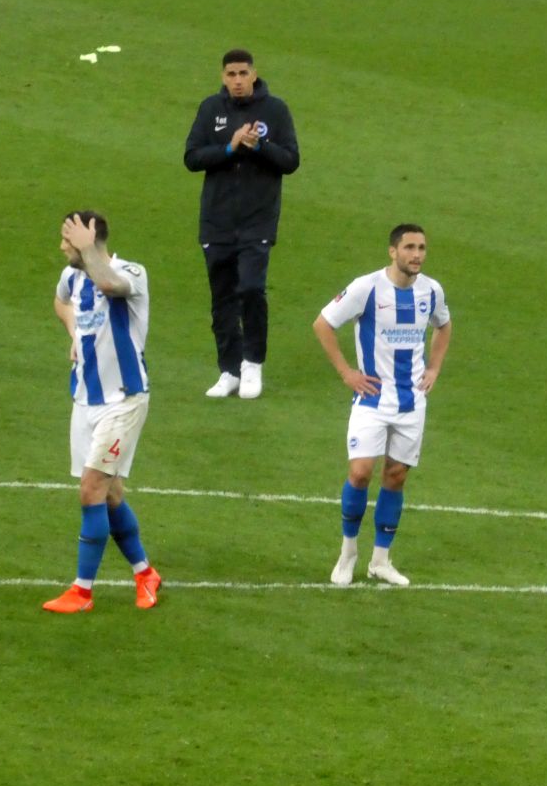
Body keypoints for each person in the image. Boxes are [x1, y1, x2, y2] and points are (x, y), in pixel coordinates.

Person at [312, 224, 452, 587]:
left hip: (411, 401)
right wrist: (346, 372)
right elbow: (323, 324)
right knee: (360, 473)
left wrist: (435, 368)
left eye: (421, 248)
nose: (417, 254)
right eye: (409, 247)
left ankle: (381, 560)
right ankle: (347, 553)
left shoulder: (431, 291)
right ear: (393, 251)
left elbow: (444, 326)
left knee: (396, 476)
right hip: (371, 398)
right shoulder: (366, 288)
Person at [43, 211, 163, 613]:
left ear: (89, 241)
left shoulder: (131, 272)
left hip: (124, 401)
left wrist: (88, 248)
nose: (62, 247)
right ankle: (145, 573)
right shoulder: (71, 277)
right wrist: (76, 334)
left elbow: (109, 284)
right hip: (85, 400)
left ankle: (82, 591)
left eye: (68, 240)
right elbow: (61, 303)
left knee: (91, 488)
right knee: (110, 494)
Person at [184, 48, 300, 400]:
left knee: (250, 288)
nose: (237, 80)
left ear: (254, 74)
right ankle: (229, 370)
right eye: (231, 74)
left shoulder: (275, 110)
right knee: (222, 299)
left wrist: (259, 144)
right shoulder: (210, 109)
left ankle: (252, 363)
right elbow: (191, 157)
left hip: (257, 222)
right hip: (216, 222)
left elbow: (291, 160)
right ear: (223, 76)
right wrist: (231, 147)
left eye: (243, 74)